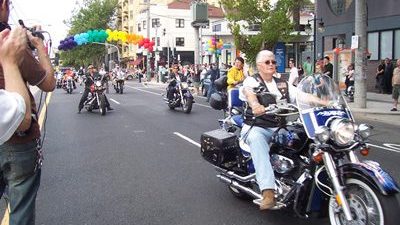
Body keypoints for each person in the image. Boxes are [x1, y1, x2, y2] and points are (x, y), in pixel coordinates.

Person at [0, 0, 56, 223]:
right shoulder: (10, 43)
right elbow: (48, 83)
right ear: (4, 4)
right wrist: (39, 47)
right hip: (18, 141)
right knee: (21, 209)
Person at [239, 50, 298, 210]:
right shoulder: (252, 81)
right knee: (257, 140)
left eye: (273, 62)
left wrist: (324, 101)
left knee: (304, 138)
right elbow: (248, 93)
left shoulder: (282, 83)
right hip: (258, 126)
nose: (271, 64)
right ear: (259, 65)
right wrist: (256, 104)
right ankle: (268, 191)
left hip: (280, 127)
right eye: (267, 62)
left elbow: (301, 96)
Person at [0, 26, 31, 144]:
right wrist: (9, 62)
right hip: (18, 143)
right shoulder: (17, 50)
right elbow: (22, 117)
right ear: (4, 6)